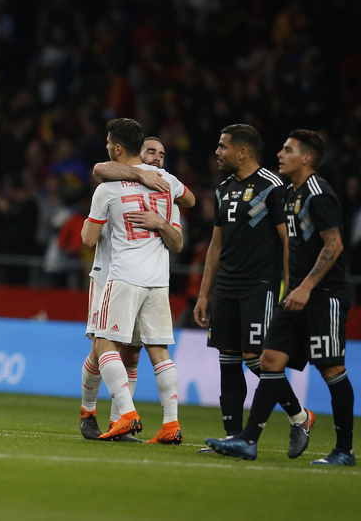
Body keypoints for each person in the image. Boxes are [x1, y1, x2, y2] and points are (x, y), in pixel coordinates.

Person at [206, 130, 355, 466]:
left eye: (288, 150)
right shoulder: (289, 193)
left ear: (306, 158)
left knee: (331, 368)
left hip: (323, 295)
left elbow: (334, 246)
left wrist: (302, 287)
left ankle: (344, 450)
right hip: (295, 295)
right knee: (268, 360)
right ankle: (247, 440)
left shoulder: (319, 194)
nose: (280, 154)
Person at [193, 124, 313, 457]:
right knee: (228, 361)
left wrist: (291, 286)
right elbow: (215, 247)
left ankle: (299, 417)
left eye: (222, 146)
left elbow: (288, 241)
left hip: (259, 286)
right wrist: (205, 294)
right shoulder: (223, 190)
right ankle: (233, 437)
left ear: (242, 151)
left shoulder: (273, 187)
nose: (217, 152)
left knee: (256, 359)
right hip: (226, 288)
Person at [79, 136, 195, 442]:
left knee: (130, 354)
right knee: (99, 349)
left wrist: (158, 220)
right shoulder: (116, 179)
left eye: (161, 154)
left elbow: (190, 202)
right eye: (150, 153)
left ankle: (121, 419)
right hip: (106, 274)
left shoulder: (163, 185)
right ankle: (87, 412)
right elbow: (101, 168)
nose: (156, 159)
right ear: (135, 156)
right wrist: (139, 173)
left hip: (129, 276)